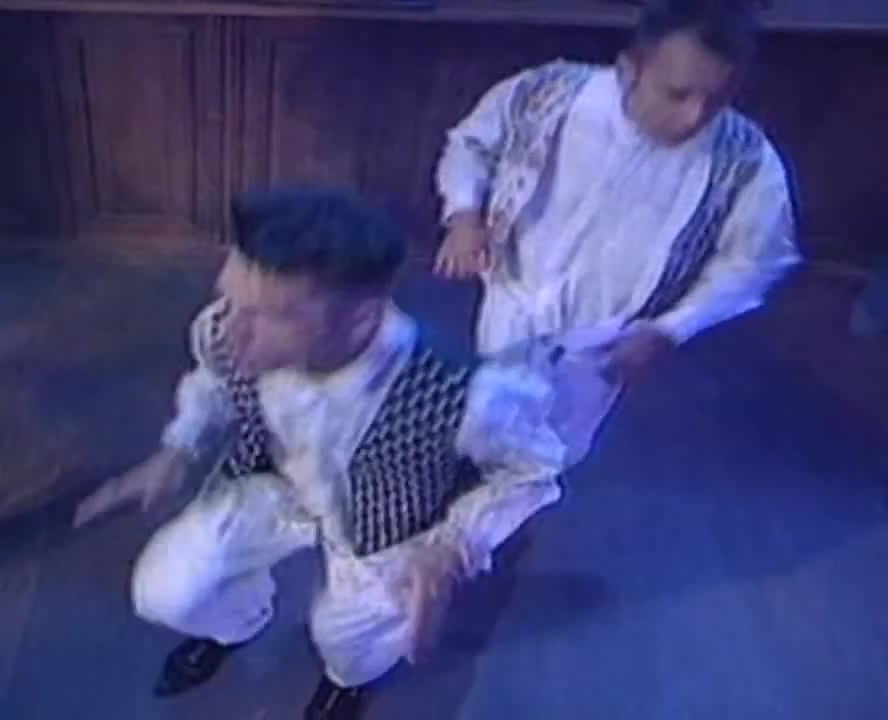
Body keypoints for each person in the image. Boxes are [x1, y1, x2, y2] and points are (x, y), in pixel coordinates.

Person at [75, 187, 567, 720]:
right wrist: (179, 448)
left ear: (360, 319)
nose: (232, 329)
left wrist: (453, 546)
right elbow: (212, 380)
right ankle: (236, 627)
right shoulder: (228, 326)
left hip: (386, 525)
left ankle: (345, 682)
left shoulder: (468, 392)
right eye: (230, 296)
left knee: (345, 636)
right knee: (166, 592)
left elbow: (531, 472)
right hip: (269, 482)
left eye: (269, 315)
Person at [433, 0, 800, 463]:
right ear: (630, 69)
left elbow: (757, 260)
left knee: (551, 456)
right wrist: (465, 214)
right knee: (475, 432)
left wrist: (671, 329)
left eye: (715, 101)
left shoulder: (743, 158)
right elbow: (472, 143)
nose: (693, 117)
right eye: (676, 94)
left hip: (601, 346)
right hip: (512, 305)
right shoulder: (549, 93)